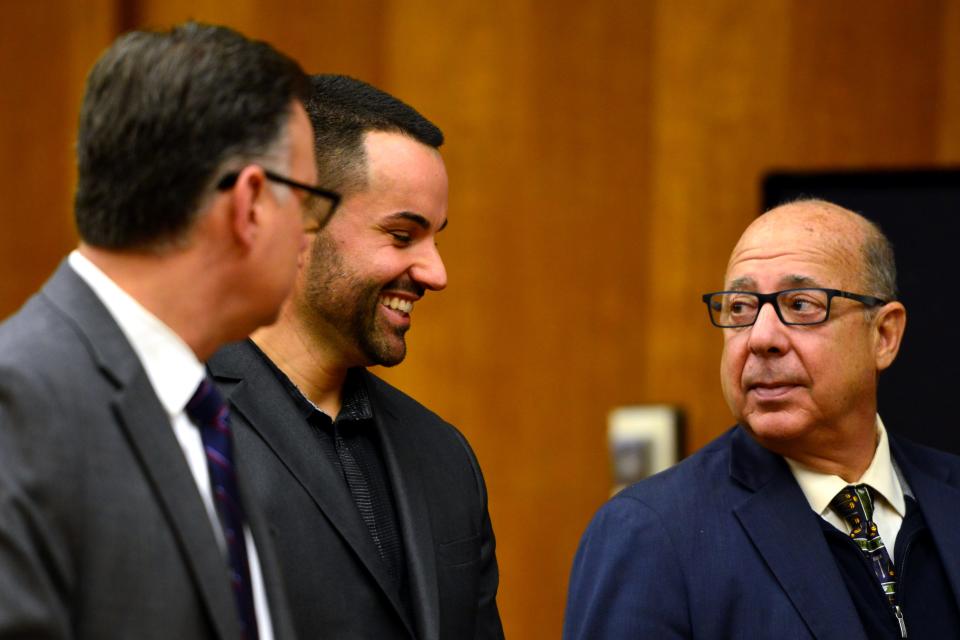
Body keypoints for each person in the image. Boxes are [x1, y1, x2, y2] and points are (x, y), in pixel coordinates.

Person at [0, 22, 339, 639]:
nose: (307, 236)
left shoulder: (200, 406)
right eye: (310, 202)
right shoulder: (21, 402)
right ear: (251, 203)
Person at [563, 199, 960, 639]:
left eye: (802, 304)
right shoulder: (652, 534)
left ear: (884, 335)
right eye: (740, 308)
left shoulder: (948, 495)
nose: (762, 338)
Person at [208, 74, 504, 639]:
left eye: (436, 238)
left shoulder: (443, 456)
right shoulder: (173, 424)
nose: (436, 274)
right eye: (401, 235)